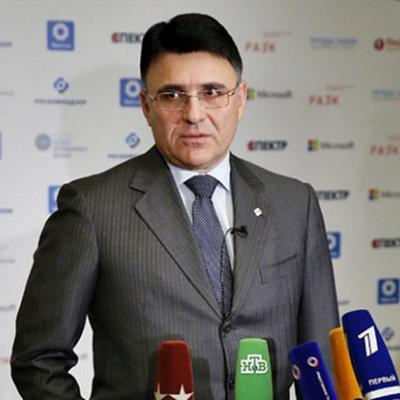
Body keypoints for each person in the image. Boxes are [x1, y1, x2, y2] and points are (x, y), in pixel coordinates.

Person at [11, 13, 339, 399]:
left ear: (240, 100)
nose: (194, 114)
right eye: (172, 95)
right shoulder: (91, 208)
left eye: (212, 92)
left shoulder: (295, 204)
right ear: (146, 106)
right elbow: (39, 360)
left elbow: (323, 362)